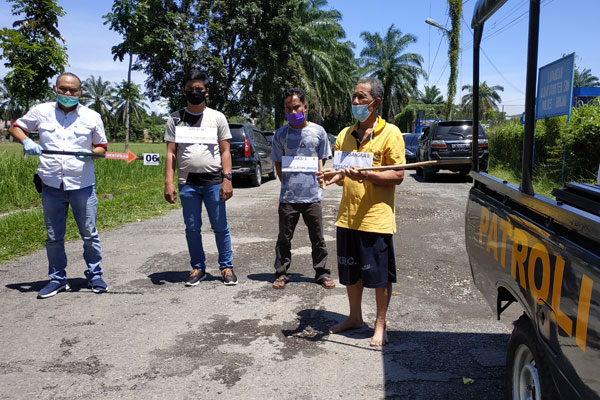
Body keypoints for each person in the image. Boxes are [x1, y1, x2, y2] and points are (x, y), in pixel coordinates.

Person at [317, 77, 405, 346]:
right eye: (354, 96)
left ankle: (380, 324)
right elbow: (344, 176)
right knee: (350, 272)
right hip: (348, 217)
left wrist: (368, 175)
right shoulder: (345, 135)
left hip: (375, 219)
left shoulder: (391, 133)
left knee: (379, 276)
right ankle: (355, 317)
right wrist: (332, 178)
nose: (355, 102)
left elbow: (398, 174)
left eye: (361, 98)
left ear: (376, 103)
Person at [9, 72, 109, 299]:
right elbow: (16, 126)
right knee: (54, 236)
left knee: (89, 234)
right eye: (63, 89)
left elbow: (102, 147)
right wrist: (26, 141)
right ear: (55, 88)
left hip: (82, 184)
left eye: (73, 90)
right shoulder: (41, 111)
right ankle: (57, 278)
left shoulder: (91, 117)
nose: (67, 94)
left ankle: (95, 275)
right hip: (51, 184)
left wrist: (91, 154)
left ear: (80, 92)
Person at [164, 69, 237, 286]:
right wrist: (169, 182)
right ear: (183, 90)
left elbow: (225, 151)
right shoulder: (176, 119)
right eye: (190, 89)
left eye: (199, 89)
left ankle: (226, 267)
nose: (194, 93)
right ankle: (198, 267)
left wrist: (228, 179)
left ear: (207, 92)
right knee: (192, 228)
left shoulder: (217, 118)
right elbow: (170, 153)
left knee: (220, 226)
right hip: (188, 183)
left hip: (214, 182)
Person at [270, 87, 334, 289]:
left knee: (318, 237)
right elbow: (278, 163)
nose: (293, 112)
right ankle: (281, 273)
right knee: (284, 238)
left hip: (312, 197)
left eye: (296, 107)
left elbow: (322, 158)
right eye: (288, 109)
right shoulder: (281, 134)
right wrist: (286, 183)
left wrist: (318, 178)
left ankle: (322, 272)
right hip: (288, 197)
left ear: (305, 107)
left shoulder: (318, 132)